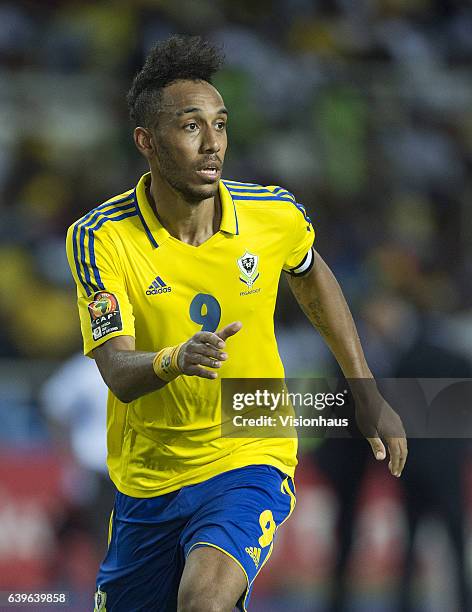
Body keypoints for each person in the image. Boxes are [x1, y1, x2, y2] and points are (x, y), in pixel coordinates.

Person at [65, 35, 407, 612]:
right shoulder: (100, 237)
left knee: (203, 601)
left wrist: (363, 384)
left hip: (250, 437)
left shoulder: (272, 213)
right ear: (147, 142)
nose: (212, 145)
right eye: (191, 126)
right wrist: (177, 358)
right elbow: (118, 371)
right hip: (148, 474)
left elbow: (310, 271)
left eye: (220, 125)